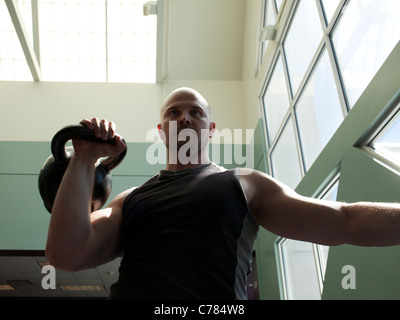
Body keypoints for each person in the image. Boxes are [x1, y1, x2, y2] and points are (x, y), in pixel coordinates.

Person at [46, 87, 400, 300]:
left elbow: (345, 221)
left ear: (211, 129)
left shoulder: (245, 184)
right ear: (162, 129)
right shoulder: (131, 199)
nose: (184, 118)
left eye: (195, 112)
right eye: (174, 112)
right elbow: (66, 253)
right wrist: (86, 156)